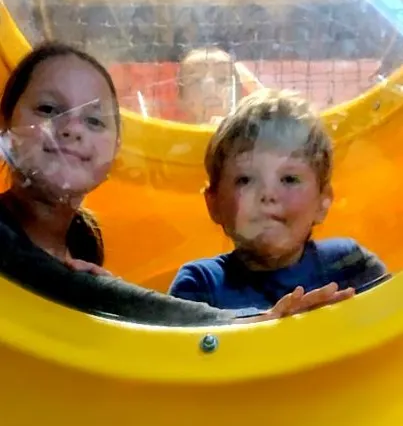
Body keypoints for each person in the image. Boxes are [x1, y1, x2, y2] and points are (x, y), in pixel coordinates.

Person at [0, 43, 352, 326]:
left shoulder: (82, 246)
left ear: (115, 150)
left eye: (94, 121)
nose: (71, 127)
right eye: (48, 109)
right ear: (5, 124)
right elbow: (67, 288)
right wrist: (258, 322)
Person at [169, 89, 388, 310]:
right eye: (245, 180)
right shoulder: (201, 284)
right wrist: (272, 327)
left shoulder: (350, 263)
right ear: (213, 204)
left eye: (289, 179)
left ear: (323, 201)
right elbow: (186, 343)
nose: (267, 194)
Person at [177, 47, 242, 124]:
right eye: (197, 81)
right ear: (181, 97)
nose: (210, 88)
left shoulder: (249, 132)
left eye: (222, 79)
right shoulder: (170, 133)